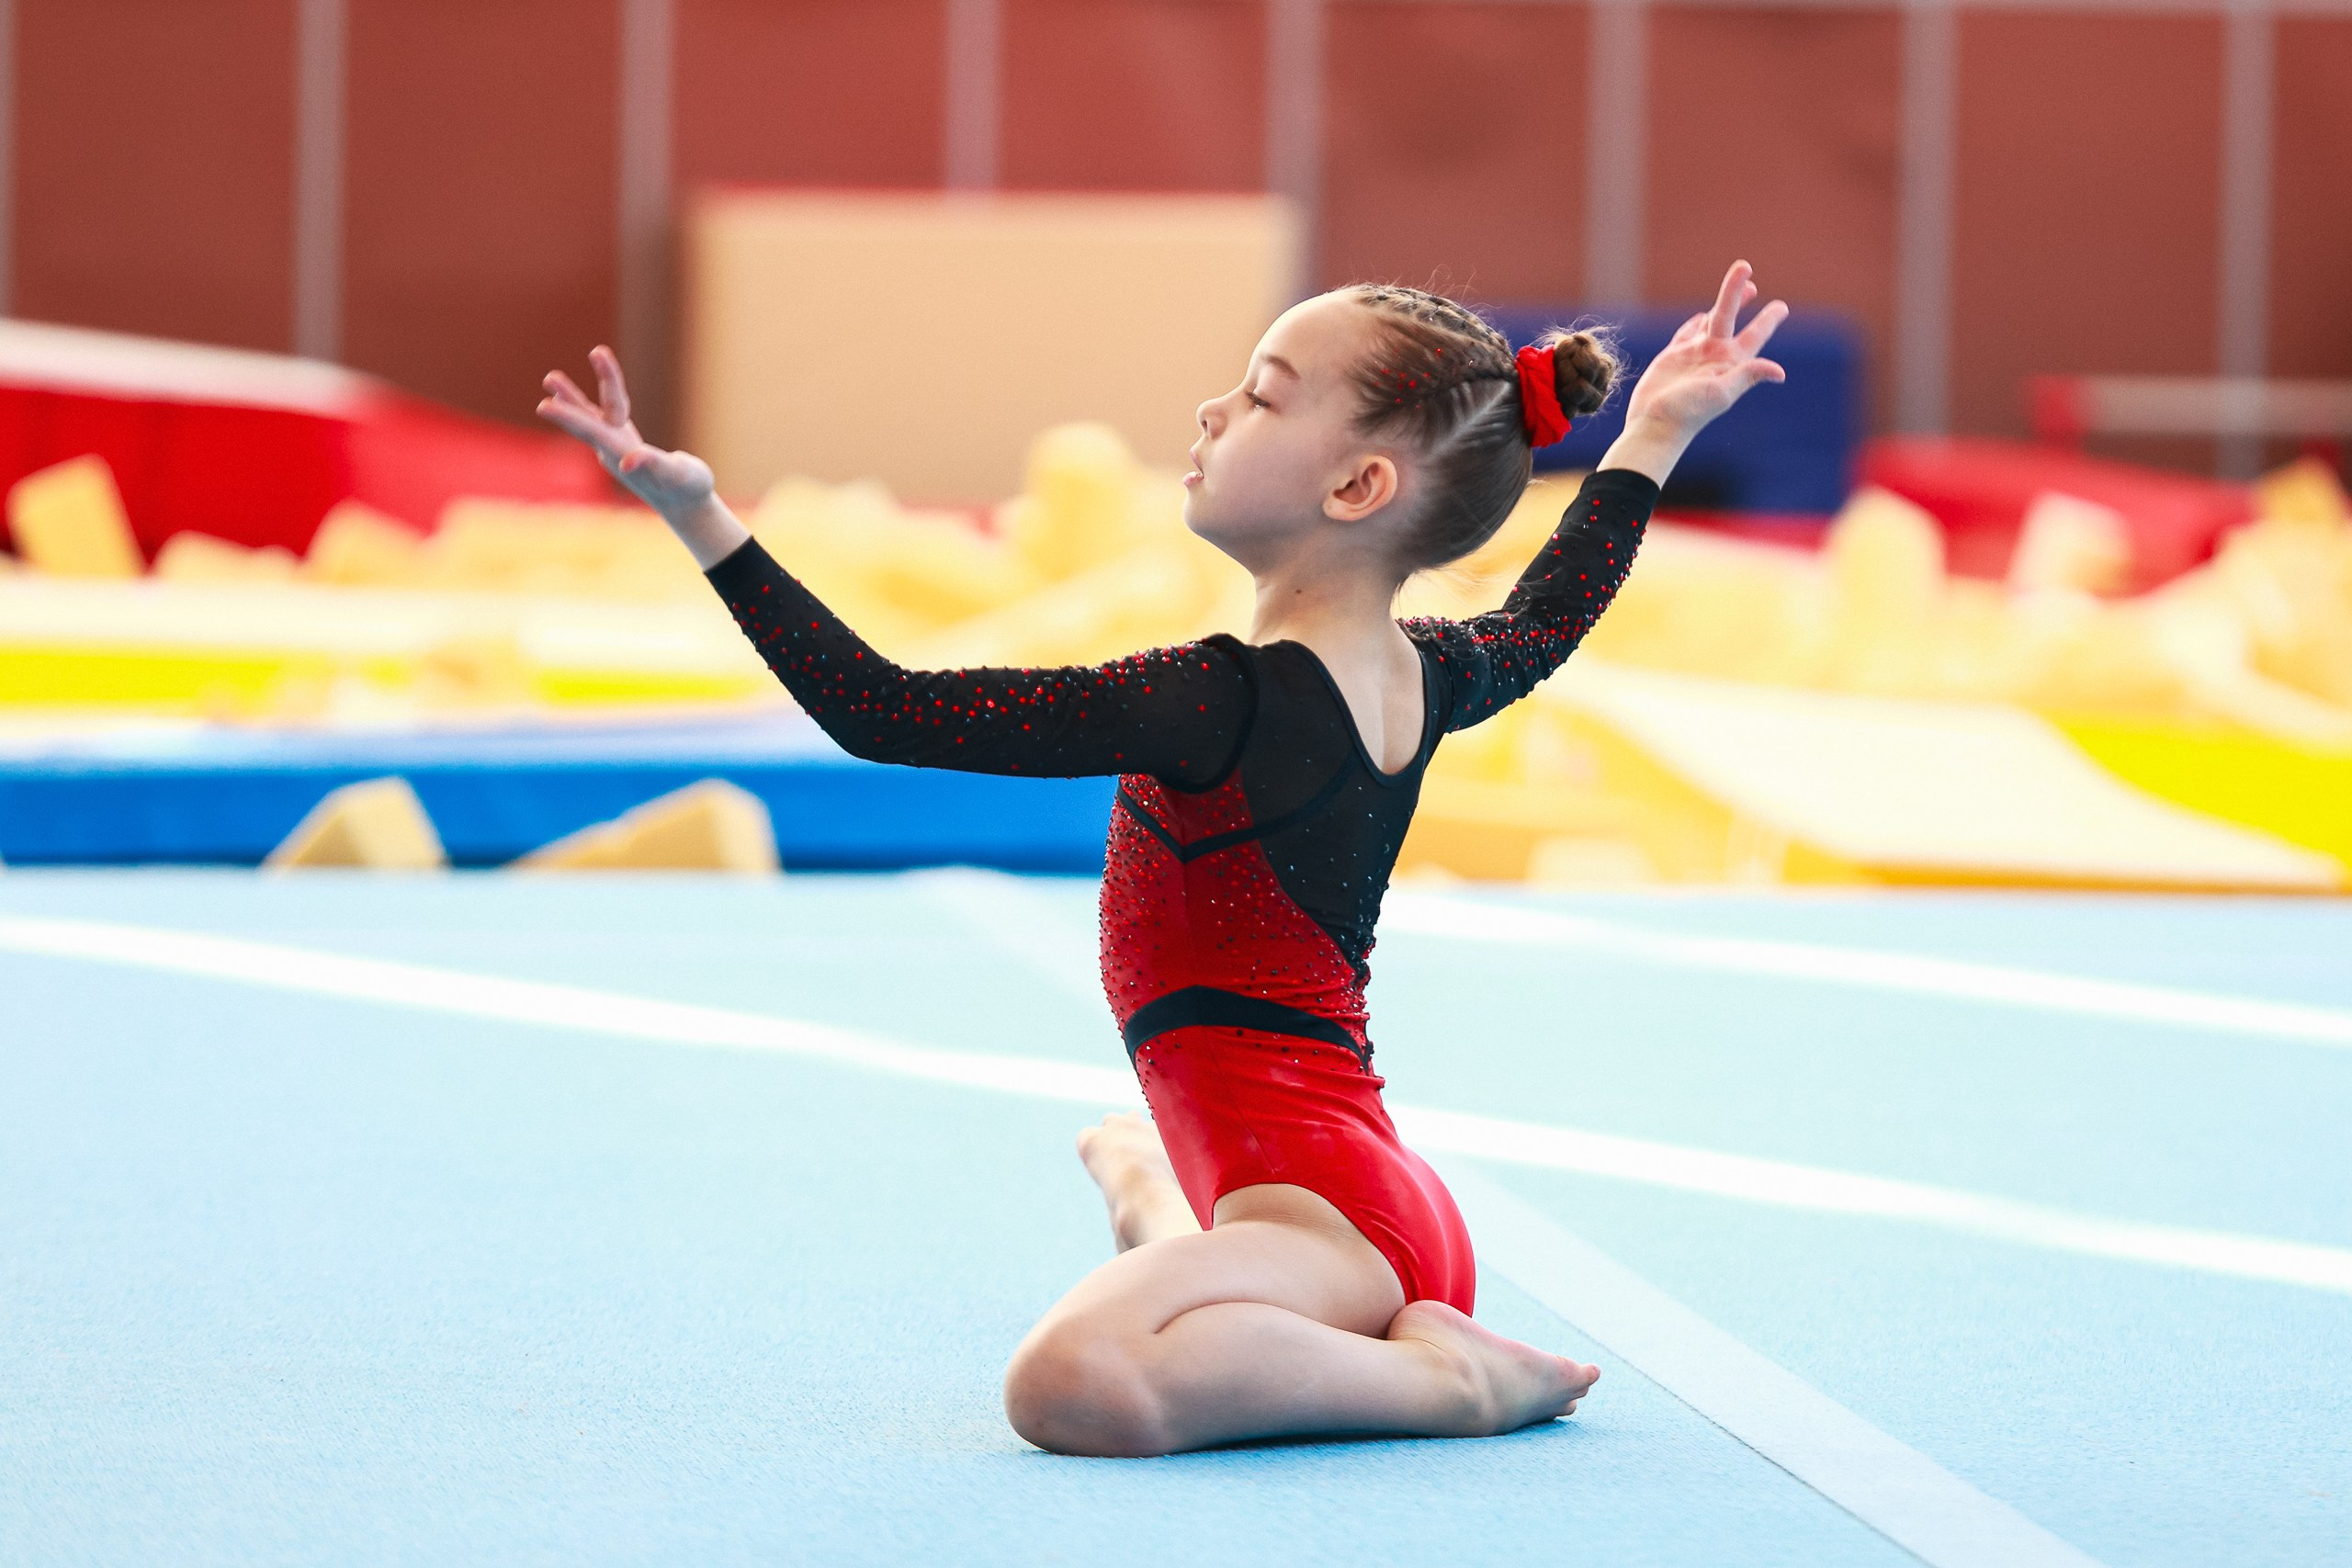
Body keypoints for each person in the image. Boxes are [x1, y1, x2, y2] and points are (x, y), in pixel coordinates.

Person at [540, 259, 1787, 1458]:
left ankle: (1444, 1378)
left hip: (1328, 1227)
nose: (1213, 408)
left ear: (1353, 488)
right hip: (1337, 1187)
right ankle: (1169, 1204)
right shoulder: (1430, 672)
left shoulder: (1216, 701)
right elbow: (1547, 617)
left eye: (1261, 396)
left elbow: (886, 711)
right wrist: (1653, 436)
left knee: (1070, 1380)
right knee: (1142, 1208)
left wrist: (702, 519)